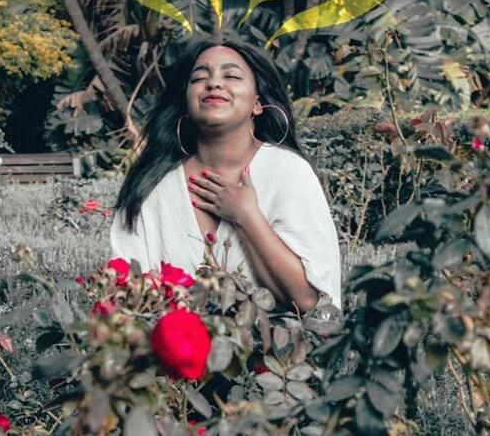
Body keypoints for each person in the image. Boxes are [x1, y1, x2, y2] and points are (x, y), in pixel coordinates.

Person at [109, 32, 341, 311]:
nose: (214, 83)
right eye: (199, 78)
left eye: (231, 76)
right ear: (186, 103)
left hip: (275, 340)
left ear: (257, 103)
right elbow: (122, 297)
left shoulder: (288, 173)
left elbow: (310, 302)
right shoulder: (151, 185)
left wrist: (245, 215)